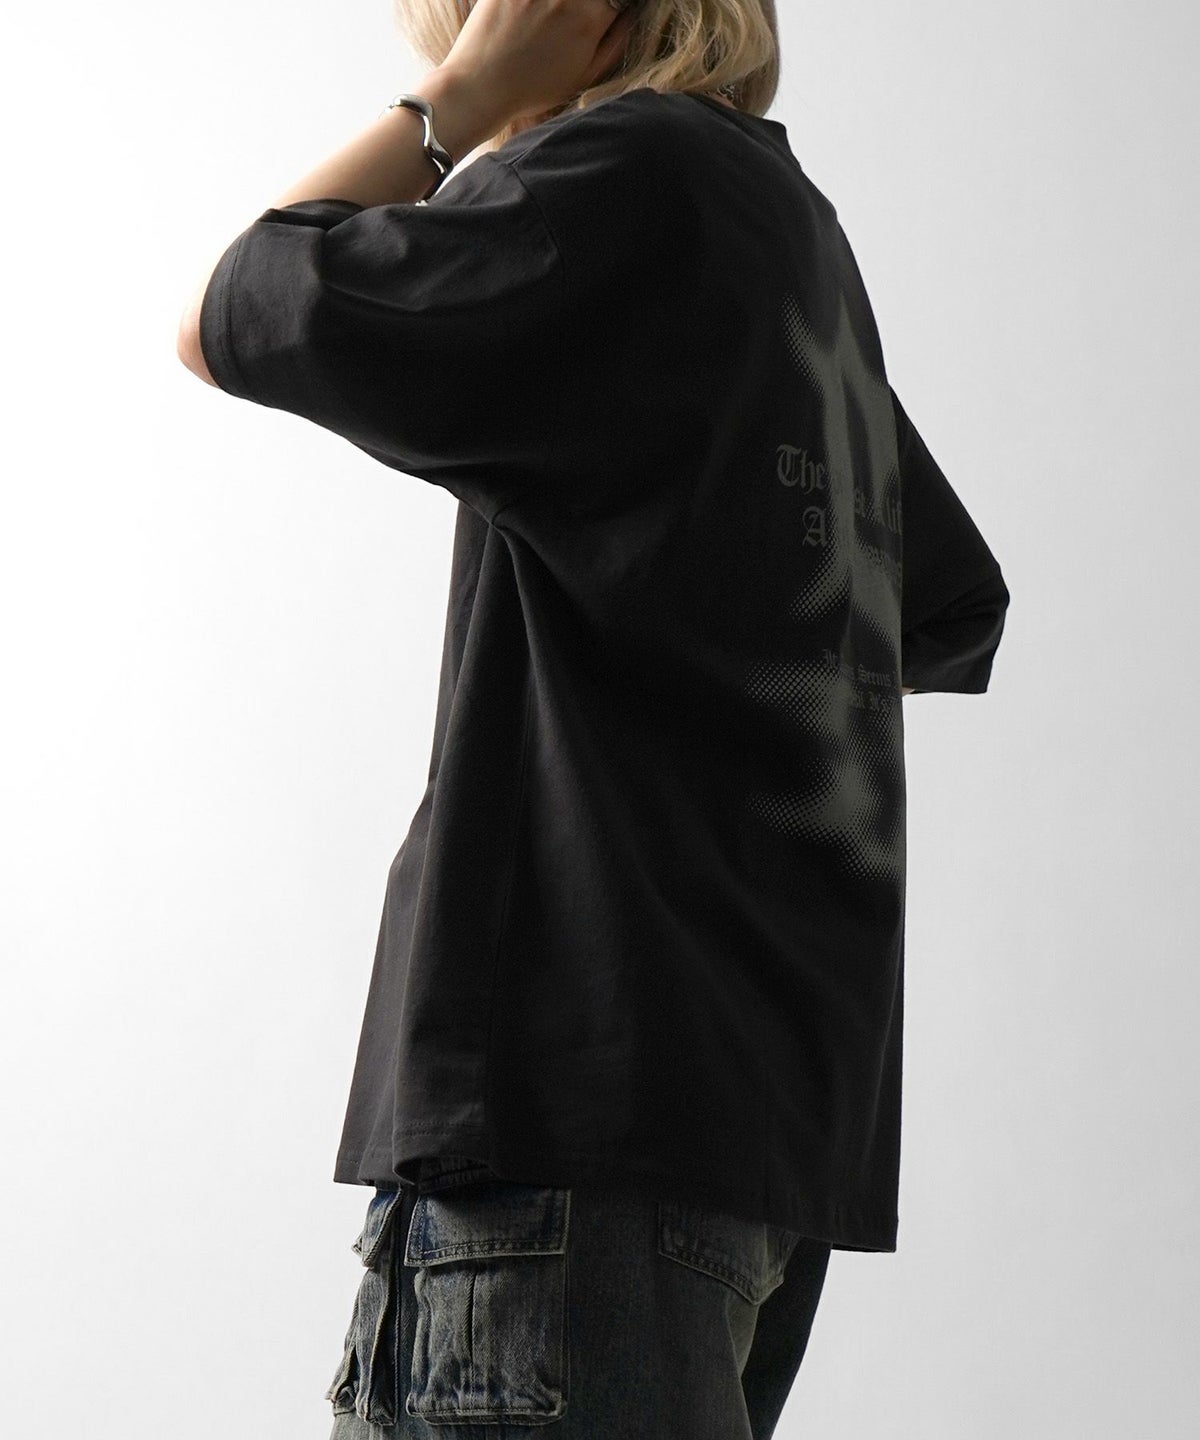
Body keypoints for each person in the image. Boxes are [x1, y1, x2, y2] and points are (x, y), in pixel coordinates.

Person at [177, 0, 1010, 1434]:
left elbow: (238, 307)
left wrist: (454, 102)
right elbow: (943, 600)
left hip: (565, 1133)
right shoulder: (789, 235)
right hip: (749, 1140)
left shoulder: (626, 176)